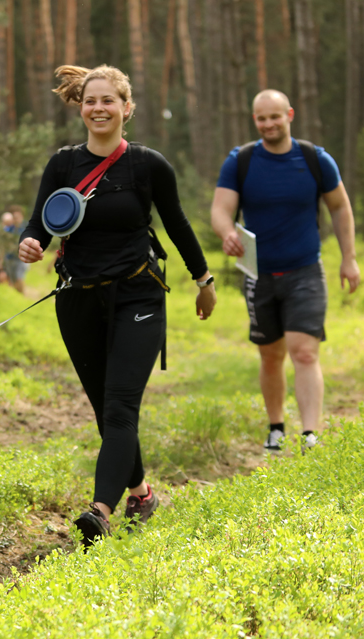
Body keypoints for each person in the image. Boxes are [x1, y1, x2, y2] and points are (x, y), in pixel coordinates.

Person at [17, 64, 216, 548]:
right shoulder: (63, 164)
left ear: (127, 108)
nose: (99, 108)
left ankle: (100, 511)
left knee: (121, 405)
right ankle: (142, 494)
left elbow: (177, 224)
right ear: (81, 108)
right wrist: (30, 242)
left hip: (137, 294)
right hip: (78, 298)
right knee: (106, 409)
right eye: (91, 100)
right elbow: (39, 221)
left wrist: (204, 280)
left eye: (108, 100)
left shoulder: (148, 165)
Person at [210, 89, 360, 452]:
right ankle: (276, 427)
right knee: (270, 354)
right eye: (261, 119)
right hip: (258, 274)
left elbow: (340, 207)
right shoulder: (241, 161)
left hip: (305, 271)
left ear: (289, 115)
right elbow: (220, 209)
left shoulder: (314, 159)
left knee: (304, 351)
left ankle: (310, 434)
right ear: (255, 120)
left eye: (275, 117)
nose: (269, 124)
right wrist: (227, 232)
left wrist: (349, 257)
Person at [2, 209, 29, 292]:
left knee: (19, 277)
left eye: (17, 217)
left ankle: (22, 294)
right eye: (14, 217)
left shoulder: (27, 228)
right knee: (12, 279)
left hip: (22, 258)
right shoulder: (9, 229)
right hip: (10, 257)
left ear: (22, 217)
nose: (16, 219)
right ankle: (17, 294)